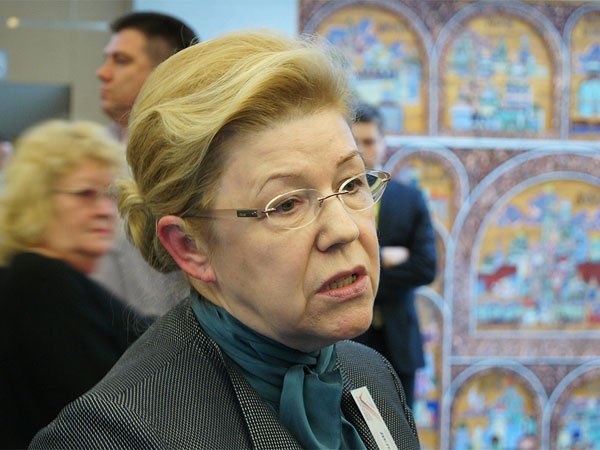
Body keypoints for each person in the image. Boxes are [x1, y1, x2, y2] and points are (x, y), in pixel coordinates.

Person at [31, 32, 420, 449]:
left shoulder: (371, 374)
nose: (345, 229)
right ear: (190, 247)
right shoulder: (114, 435)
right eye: (287, 204)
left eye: (351, 183)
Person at [0, 120, 148, 448]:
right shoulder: (41, 283)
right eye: (85, 194)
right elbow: (105, 419)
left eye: (109, 196)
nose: (105, 211)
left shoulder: (42, 279)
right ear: (36, 199)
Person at [93, 12, 198, 316]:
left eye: (121, 60)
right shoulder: (88, 155)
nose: (102, 73)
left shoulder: (193, 162)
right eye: (106, 59)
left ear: (166, 73)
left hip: (168, 332)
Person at [351, 103, 437, 408]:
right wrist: (385, 257)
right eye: (354, 142)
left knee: (400, 426)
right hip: (347, 344)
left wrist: (361, 274)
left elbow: (425, 267)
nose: (362, 151)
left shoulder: (410, 199)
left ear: (384, 143)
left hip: (399, 342)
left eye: (369, 141)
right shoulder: (333, 202)